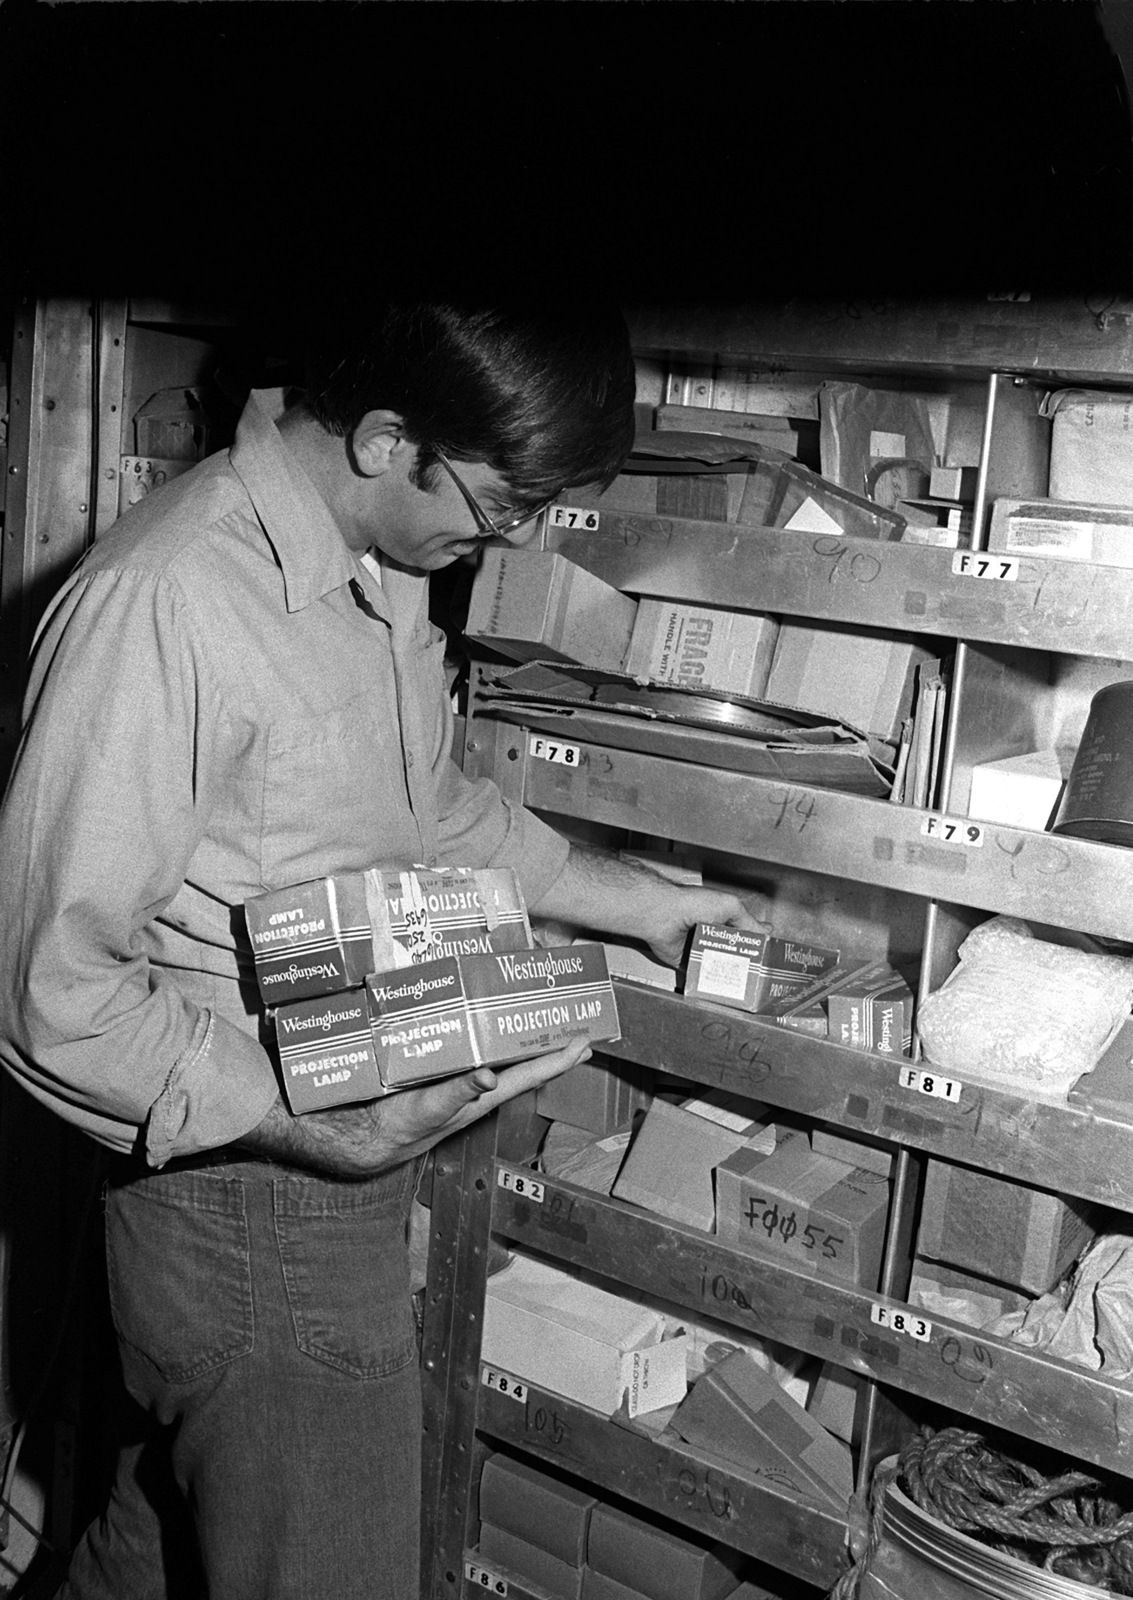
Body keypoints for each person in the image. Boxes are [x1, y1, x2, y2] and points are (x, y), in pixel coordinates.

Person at [0, 296, 764, 1600]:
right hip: (249, 1207)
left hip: (318, 1153)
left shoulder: (383, 565)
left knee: (144, 1556)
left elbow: (417, 807)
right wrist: (300, 1118)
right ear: (384, 437)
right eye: (504, 503)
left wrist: (614, 894)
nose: (503, 538)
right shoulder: (166, 604)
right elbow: (44, 990)